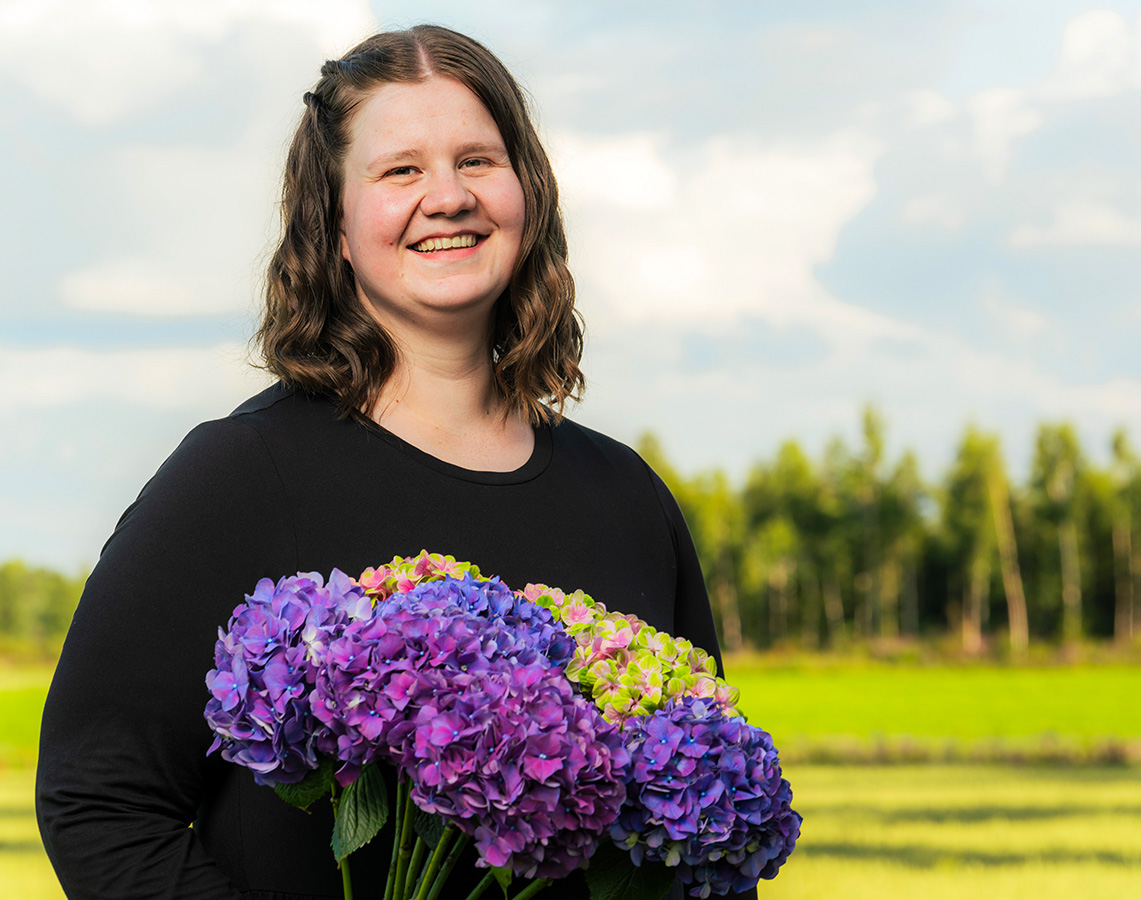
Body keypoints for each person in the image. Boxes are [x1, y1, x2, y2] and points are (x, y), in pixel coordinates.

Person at [37, 24, 753, 900]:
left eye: (478, 161)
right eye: (401, 170)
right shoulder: (237, 477)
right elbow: (98, 805)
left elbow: (707, 851)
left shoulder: (627, 497)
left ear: (529, 194)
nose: (447, 196)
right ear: (333, 225)